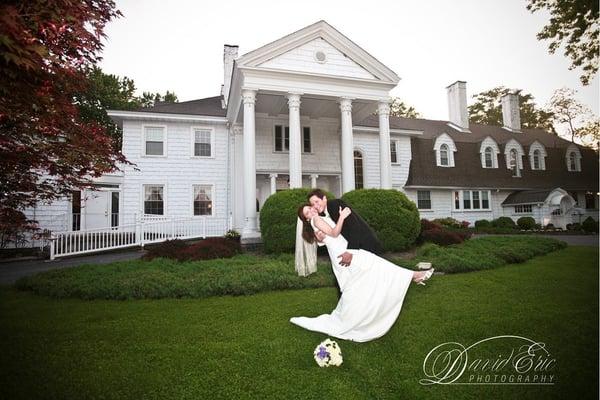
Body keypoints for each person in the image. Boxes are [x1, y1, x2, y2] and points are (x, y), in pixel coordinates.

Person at [290, 204, 434, 342]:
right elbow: (334, 233)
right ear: (307, 219)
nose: (311, 211)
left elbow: (324, 238)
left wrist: (321, 237)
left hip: (339, 252)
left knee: (359, 282)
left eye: (309, 208)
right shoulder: (316, 219)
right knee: (374, 265)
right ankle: (413, 276)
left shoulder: (317, 220)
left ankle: (352, 317)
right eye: (307, 213)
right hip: (342, 252)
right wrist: (342, 216)